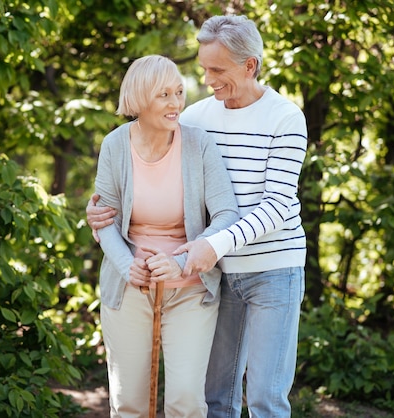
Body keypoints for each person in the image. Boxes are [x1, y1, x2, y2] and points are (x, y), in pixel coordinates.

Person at [87, 15, 308, 418]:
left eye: (216, 70)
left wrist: (207, 246)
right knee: (217, 399)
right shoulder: (195, 118)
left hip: (270, 268)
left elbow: (278, 205)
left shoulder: (286, 118)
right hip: (220, 271)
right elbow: (148, 145)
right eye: (204, 69)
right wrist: (99, 212)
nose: (206, 81)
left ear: (250, 66)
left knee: (265, 400)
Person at [93, 54, 239, 418]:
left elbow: (227, 214)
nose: (176, 104)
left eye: (179, 92)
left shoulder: (198, 145)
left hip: (189, 287)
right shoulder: (114, 146)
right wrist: (129, 267)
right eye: (164, 95)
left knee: (186, 402)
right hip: (130, 288)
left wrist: (178, 262)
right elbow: (103, 219)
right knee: (129, 403)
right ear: (140, 99)